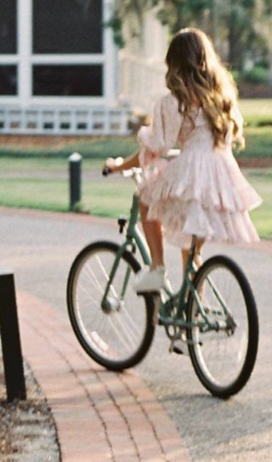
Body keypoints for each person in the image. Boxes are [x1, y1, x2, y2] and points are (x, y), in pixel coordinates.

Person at [107, 28, 261, 294]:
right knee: (192, 254)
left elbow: (156, 148)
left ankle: (156, 268)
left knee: (145, 195)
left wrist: (119, 165)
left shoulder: (174, 101)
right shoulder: (219, 96)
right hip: (221, 172)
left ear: (174, 63)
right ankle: (190, 320)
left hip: (193, 168)